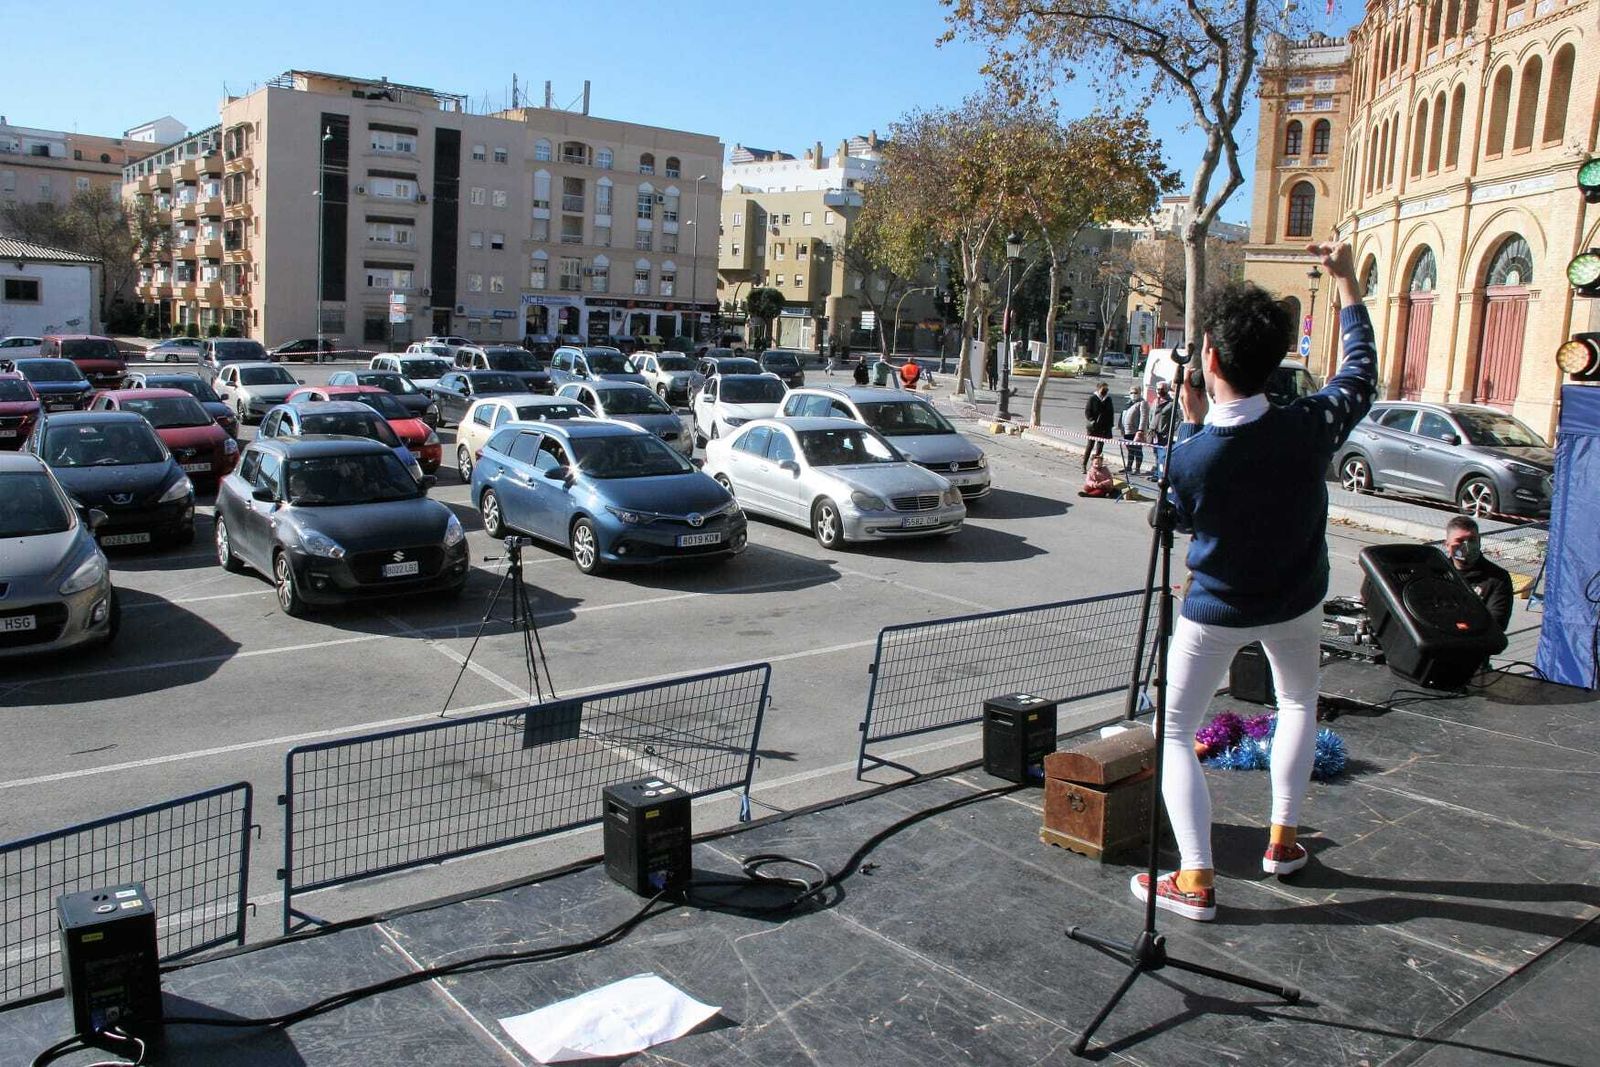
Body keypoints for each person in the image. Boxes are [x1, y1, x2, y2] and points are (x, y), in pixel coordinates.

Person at [1130, 239, 1377, 923]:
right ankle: (1282, 841)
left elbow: (1174, 517)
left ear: (1208, 358)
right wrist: (1348, 281)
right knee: (1298, 705)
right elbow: (1361, 370)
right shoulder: (1310, 426)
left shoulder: (1190, 455)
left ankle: (1196, 878)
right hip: (1298, 600)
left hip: (1214, 611)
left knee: (1174, 732)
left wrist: (1188, 423)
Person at [1444, 516, 1513, 631]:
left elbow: (1497, 622)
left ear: (1479, 542)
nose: (1466, 546)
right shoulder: (1437, 572)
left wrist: (1453, 625)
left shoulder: (1498, 578)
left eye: (1471, 540)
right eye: (1460, 541)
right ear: (1447, 545)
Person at [1082, 381, 1114, 473]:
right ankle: (1084, 464)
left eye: (1106, 389)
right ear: (1098, 389)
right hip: (1093, 427)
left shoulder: (1108, 399)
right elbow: (1087, 412)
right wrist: (1092, 420)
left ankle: (1096, 466)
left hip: (1103, 427)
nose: (1105, 391)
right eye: (1103, 389)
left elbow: (1111, 413)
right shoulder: (1092, 398)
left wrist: (1110, 426)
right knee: (1090, 446)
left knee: (1100, 448)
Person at [1149, 382, 1175, 480]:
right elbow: (1151, 415)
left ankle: (1161, 475)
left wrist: (1170, 432)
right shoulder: (1155, 401)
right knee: (1156, 455)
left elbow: (1176, 420)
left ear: (1167, 390)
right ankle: (1156, 474)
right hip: (1153, 433)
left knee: (1162, 455)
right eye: (1158, 389)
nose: (1159, 391)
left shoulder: (1171, 403)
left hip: (1164, 435)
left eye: (1162, 389)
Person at [1121, 384, 1149, 475]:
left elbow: (1144, 417)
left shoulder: (1142, 403)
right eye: (1131, 392)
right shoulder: (1128, 403)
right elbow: (1123, 415)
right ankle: (1128, 467)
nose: (1133, 394)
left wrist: (1140, 430)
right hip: (1126, 431)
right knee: (1130, 450)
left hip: (1136, 431)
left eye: (1135, 392)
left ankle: (1137, 469)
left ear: (1140, 393)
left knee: (1137, 450)